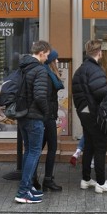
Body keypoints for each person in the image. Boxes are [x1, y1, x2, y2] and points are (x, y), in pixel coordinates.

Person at [72, 39, 107, 195]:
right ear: (100, 52)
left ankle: (86, 179)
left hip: (84, 113)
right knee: (100, 147)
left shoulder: (79, 70)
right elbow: (100, 92)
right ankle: (101, 182)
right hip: (95, 114)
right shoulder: (96, 69)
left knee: (89, 146)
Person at [14, 40, 51, 204]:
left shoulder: (23, 67)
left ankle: (27, 188)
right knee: (34, 152)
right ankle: (23, 191)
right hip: (34, 116)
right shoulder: (39, 70)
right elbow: (40, 96)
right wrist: (47, 113)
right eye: (47, 55)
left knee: (29, 151)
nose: (47, 59)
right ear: (41, 52)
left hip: (22, 115)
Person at [40, 48, 64, 191]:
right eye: (56, 59)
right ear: (51, 62)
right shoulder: (48, 76)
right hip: (47, 117)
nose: (58, 61)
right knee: (52, 148)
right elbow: (45, 99)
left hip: (48, 116)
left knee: (38, 148)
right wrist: (49, 116)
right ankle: (47, 179)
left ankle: (33, 177)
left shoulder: (49, 75)